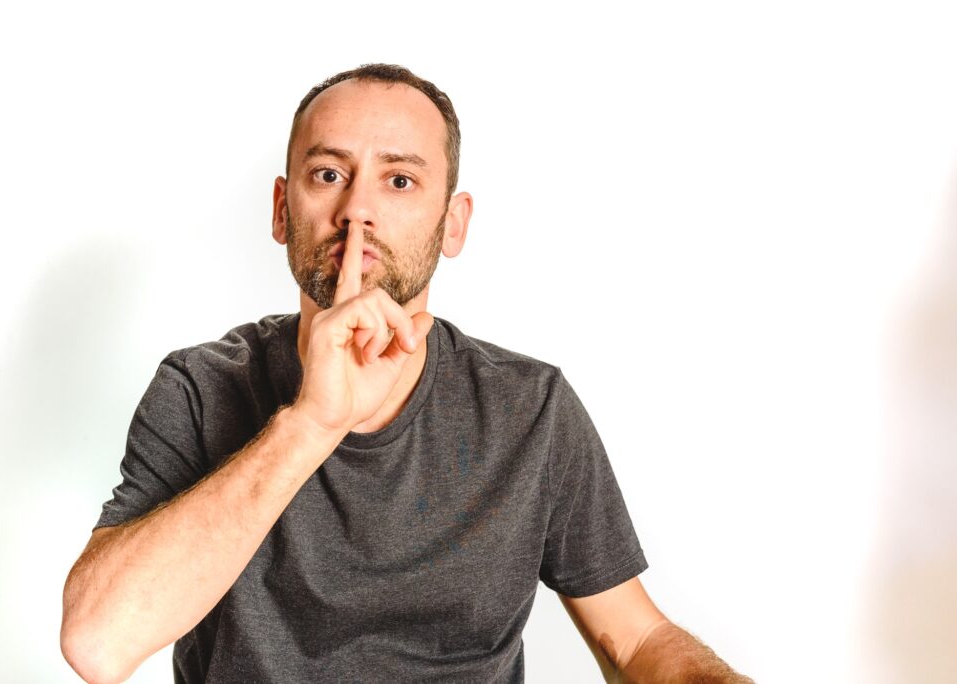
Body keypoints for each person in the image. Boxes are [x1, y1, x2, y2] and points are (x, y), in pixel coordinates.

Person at [61, 63, 752, 683]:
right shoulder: (200, 389)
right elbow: (99, 644)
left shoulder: (528, 408)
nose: (357, 208)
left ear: (453, 225)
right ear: (281, 210)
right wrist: (313, 423)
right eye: (329, 173)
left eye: (399, 180)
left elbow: (634, 641)